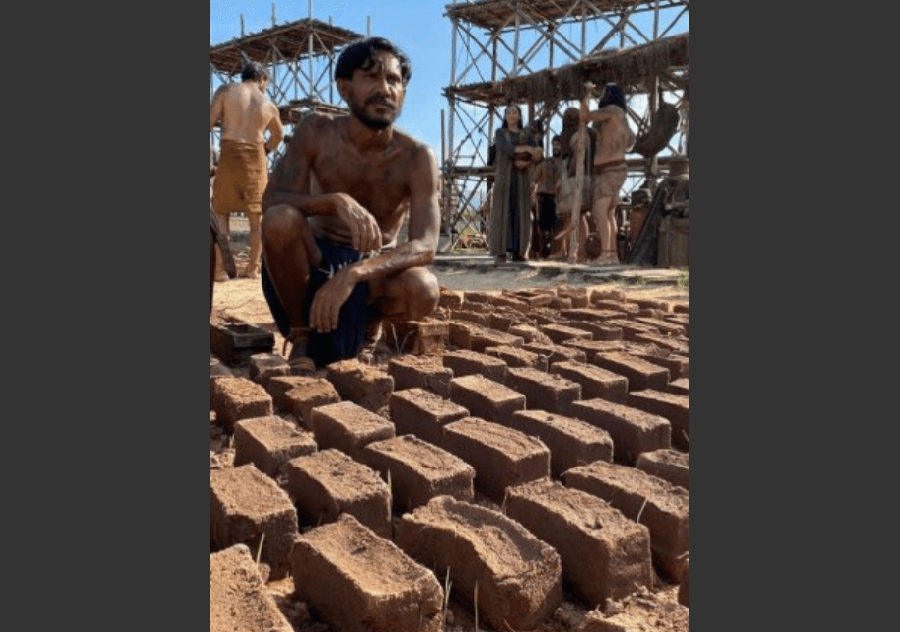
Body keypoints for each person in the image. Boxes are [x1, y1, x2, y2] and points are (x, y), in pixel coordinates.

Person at [260, 37, 441, 374]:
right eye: (371, 77)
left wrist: (354, 273)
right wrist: (332, 201)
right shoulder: (316, 131)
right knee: (280, 220)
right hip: (315, 258)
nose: (384, 89)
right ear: (344, 88)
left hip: (374, 269)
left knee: (424, 289)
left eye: (394, 80)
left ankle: (370, 326)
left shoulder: (417, 157)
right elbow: (271, 201)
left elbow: (426, 245)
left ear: (403, 92)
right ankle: (301, 336)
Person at [210, 62, 284, 281]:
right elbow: (278, 136)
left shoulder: (225, 91)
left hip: (229, 155)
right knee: (256, 218)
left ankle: (221, 270)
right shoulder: (269, 105)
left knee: (221, 213)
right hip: (255, 159)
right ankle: (252, 268)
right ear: (262, 79)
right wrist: (265, 150)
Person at [580, 83, 635, 264]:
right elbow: (631, 141)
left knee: (600, 211)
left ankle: (606, 253)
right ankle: (611, 254)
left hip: (610, 169)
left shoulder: (612, 111)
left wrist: (585, 95)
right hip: (614, 168)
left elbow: (584, 116)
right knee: (609, 213)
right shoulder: (620, 117)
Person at [488, 104, 543, 263]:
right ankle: (501, 252)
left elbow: (539, 155)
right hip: (504, 180)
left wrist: (528, 162)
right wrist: (528, 149)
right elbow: (506, 149)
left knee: (522, 214)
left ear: (519, 116)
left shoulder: (527, 134)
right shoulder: (500, 133)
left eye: (515, 112)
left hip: (522, 179)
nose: (511, 115)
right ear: (505, 117)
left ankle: (521, 252)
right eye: (508, 112)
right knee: (502, 214)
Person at [532, 135, 562, 259]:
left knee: (556, 226)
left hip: (558, 198)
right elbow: (534, 178)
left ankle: (554, 252)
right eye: (554, 144)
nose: (555, 147)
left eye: (558, 144)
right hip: (544, 196)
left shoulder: (564, 162)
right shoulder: (546, 162)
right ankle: (541, 252)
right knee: (542, 227)